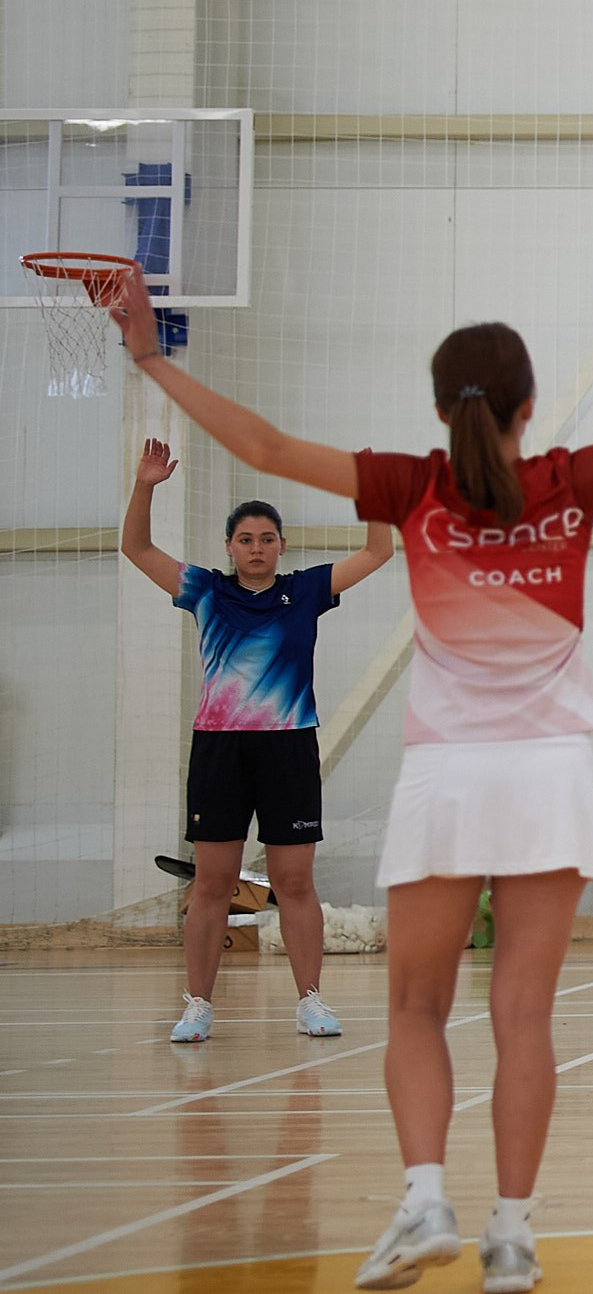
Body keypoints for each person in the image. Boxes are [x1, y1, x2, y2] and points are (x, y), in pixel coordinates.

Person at [111, 269, 593, 1288]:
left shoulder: (410, 483)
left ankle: (425, 1197)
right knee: (523, 1016)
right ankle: (511, 1230)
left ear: (435, 407)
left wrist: (150, 354)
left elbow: (267, 448)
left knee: (417, 1006)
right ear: (528, 408)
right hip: (549, 779)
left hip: (448, 778)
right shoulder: (573, 478)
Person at [119, 439, 394, 1044]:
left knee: (294, 883)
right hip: (220, 749)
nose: (256, 548)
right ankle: (198, 1004)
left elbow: (379, 549)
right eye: (245, 539)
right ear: (229, 548)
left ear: (281, 545)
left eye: (266, 538)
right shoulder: (205, 592)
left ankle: (310, 1001)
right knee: (213, 883)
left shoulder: (306, 592)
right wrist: (145, 486)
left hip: (288, 746)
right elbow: (135, 548)